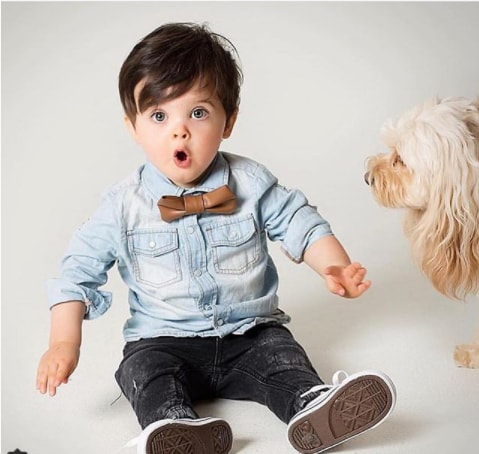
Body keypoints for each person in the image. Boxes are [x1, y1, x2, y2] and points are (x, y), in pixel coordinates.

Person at [36, 22, 396, 454]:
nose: (179, 130)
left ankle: (312, 404)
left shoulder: (251, 182)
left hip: (250, 333)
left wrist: (334, 264)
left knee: (284, 359)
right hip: (163, 339)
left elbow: (299, 220)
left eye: (199, 113)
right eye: (159, 115)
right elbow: (78, 270)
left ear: (229, 120)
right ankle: (175, 427)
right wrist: (63, 341)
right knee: (145, 373)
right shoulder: (122, 206)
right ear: (133, 126)